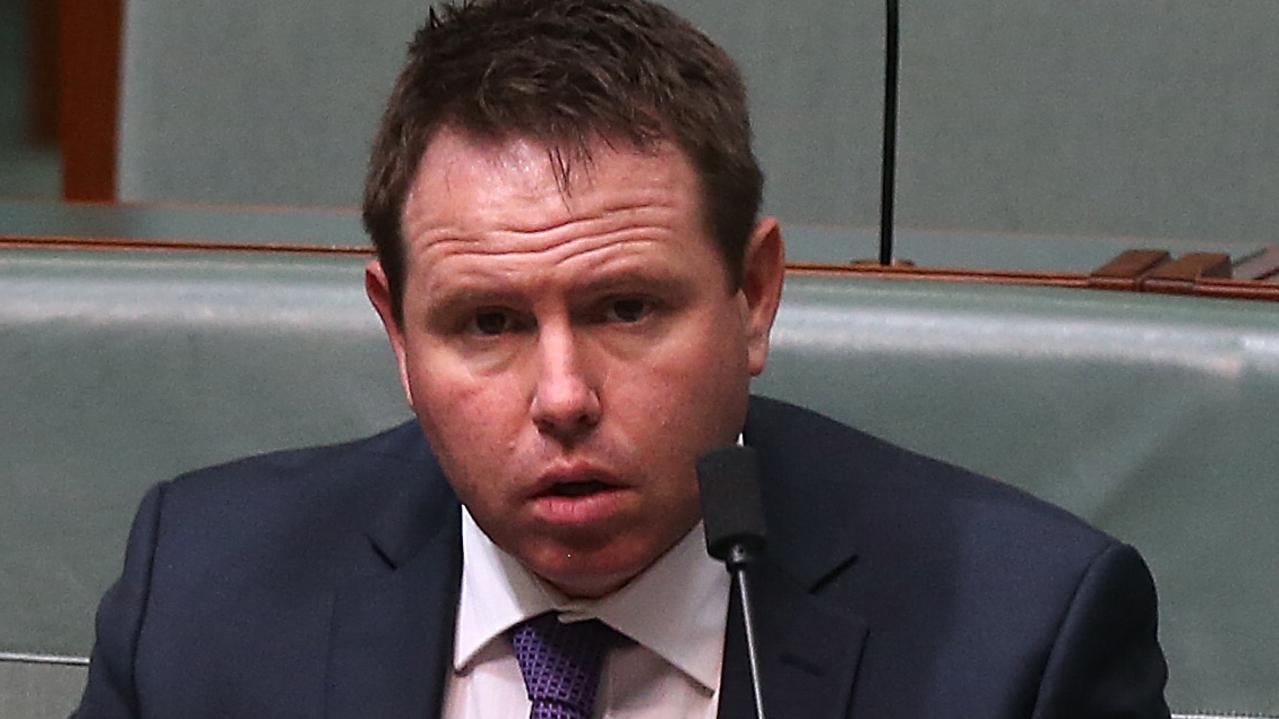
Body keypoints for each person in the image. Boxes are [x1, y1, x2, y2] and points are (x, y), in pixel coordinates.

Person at [74, 1, 1170, 717]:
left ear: (753, 295)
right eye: (488, 324)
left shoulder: (1022, 639)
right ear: (396, 330)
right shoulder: (201, 599)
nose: (563, 397)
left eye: (627, 306)